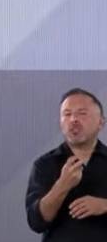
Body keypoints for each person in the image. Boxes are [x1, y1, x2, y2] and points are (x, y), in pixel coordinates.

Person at [26, 88, 107, 240]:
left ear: (101, 122)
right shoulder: (44, 164)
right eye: (67, 114)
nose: (73, 119)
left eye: (82, 113)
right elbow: (36, 222)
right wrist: (63, 185)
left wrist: (104, 205)